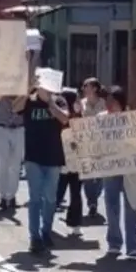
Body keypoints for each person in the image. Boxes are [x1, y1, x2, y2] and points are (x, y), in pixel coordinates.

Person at [16, 78, 69, 254]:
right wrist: (27, 90)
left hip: (53, 157)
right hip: (33, 157)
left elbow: (64, 118)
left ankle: (46, 230)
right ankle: (34, 237)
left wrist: (50, 102)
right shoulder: (29, 101)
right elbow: (15, 108)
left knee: (51, 198)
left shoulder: (59, 100)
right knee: (35, 198)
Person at [101, 86, 136, 258]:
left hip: (130, 169)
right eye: (108, 101)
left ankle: (132, 246)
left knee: (131, 205)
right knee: (111, 205)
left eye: (113, 101)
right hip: (110, 167)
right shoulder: (100, 119)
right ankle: (114, 242)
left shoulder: (133, 120)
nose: (110, 105)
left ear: (121, 103)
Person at [55, 88, 83, 236]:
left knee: (76, 194)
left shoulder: (81, 117)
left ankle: (75, 222)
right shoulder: (61, 116)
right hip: (62, 161)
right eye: (76, 98)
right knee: (57, 192)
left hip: (77, 162)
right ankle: (47, 218)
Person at [0, 86, 25, 211]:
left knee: (16, 165)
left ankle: (11, 196)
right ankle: (3, 196)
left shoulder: (23, 91)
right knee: (3, 164)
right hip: (3, 128)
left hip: (19, 128)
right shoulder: (1, 90)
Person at [79, 78, 106, 219]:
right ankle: (92, 202)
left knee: (100, 174)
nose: (83, 88)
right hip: (86, 143)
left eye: (86, 85)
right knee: (88, 175)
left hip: (102, 143)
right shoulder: (81, 104)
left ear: (95, 88)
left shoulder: (104, 104)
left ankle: (96, 195)